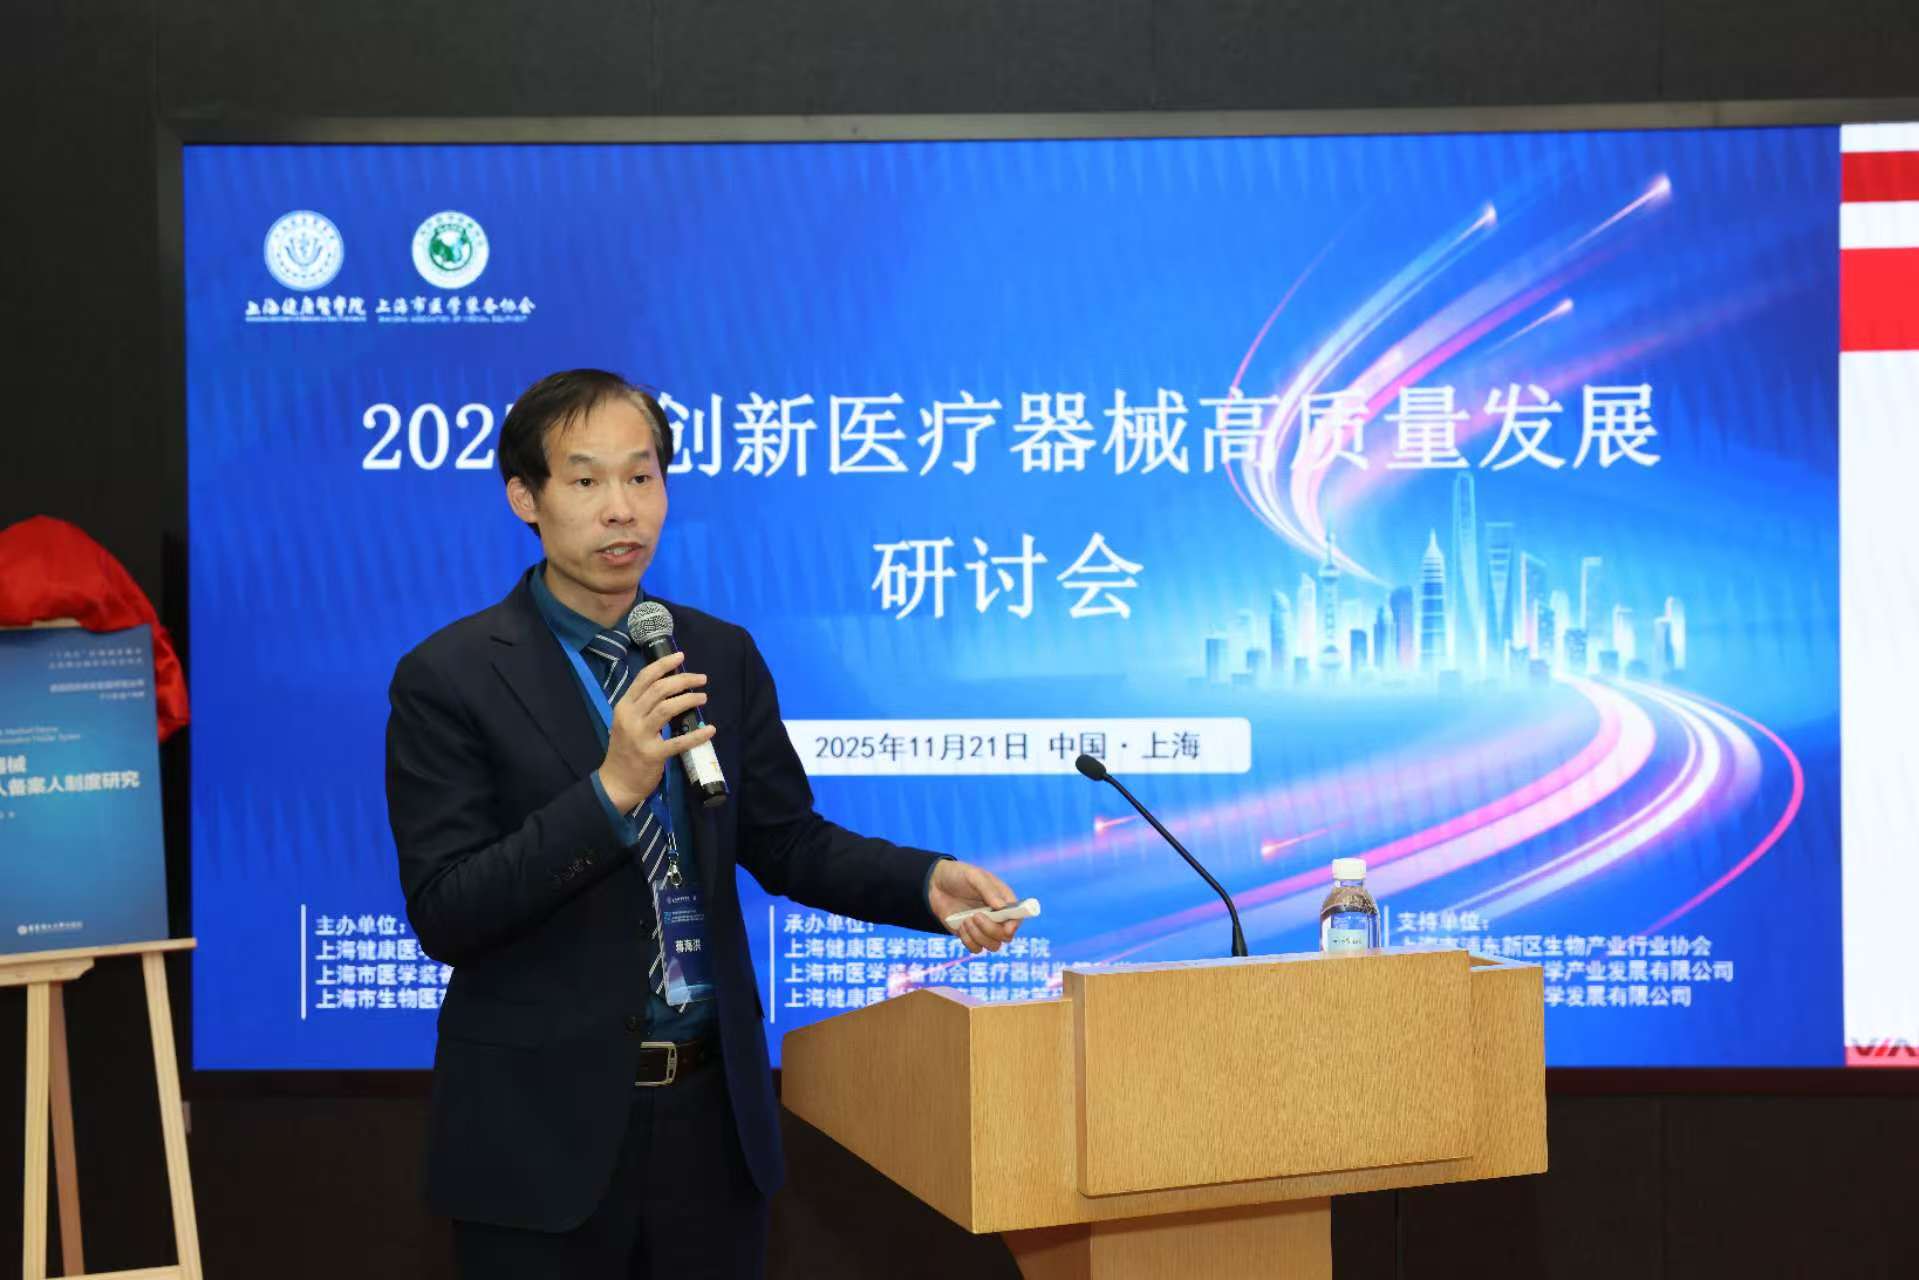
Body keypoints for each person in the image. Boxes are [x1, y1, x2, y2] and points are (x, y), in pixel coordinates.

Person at [384, 369, 1024, 1278]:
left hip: (710, 1131)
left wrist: (923, 884)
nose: (620, 508)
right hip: (538, 1140)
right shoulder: (450, 677)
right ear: (525, 497)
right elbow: (449, 909)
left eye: (641, 477)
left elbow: (786, 839)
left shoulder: (715, 652)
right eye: (585, 479)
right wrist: (612, 790)